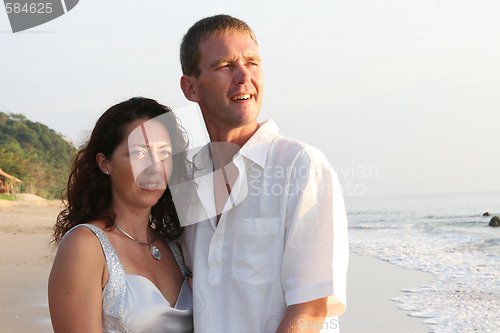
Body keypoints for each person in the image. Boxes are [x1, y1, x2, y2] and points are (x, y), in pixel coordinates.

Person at [178, 15, 349, 332]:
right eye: (225, 65)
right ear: (191, 87)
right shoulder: (188, 178)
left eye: (253, 63)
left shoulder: (300, 165)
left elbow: (311, 309)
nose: (244, 76)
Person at [48, 97, 194, 333]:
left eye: (164, 153)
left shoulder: (176, 246)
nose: (155, 167)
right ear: (105, 164)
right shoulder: (85, 246)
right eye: (138, 154)